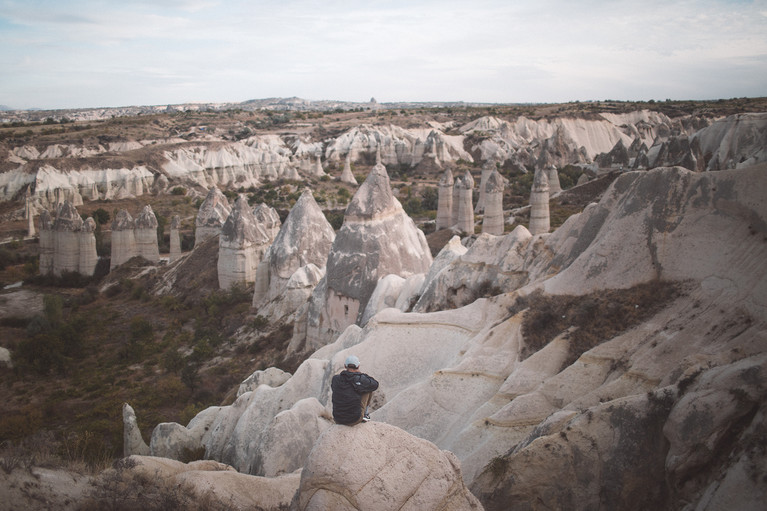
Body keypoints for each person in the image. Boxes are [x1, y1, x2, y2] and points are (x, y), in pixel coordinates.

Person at [331, 355, 379, 425]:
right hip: (354, 419)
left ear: (345, 366)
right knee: (368, 388)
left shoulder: (335, 379)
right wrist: (360, 375)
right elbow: (375, 384)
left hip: (338, 419)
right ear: (358, 366)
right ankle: (365, 414)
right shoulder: (360, 379)